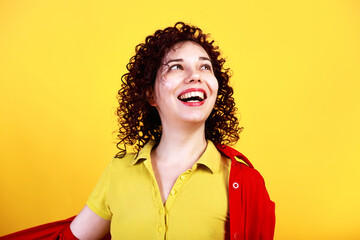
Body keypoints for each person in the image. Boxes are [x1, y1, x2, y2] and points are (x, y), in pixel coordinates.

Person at [0, 22, 275, 240]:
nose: (196, 75)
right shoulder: (119, 171)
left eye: (205, 66)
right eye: (176, 67)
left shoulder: (245, 182)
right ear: (150, 94)